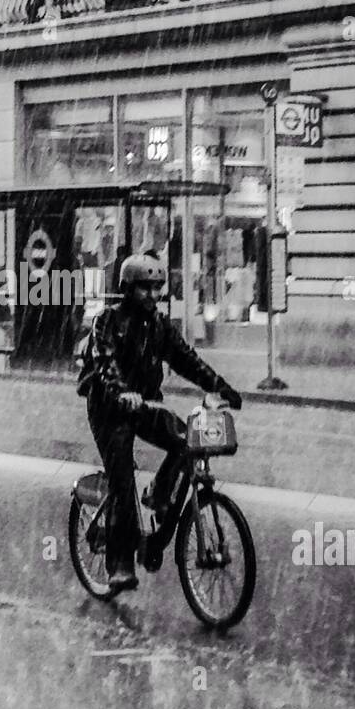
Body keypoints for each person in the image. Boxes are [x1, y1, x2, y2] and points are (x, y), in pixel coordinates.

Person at [77, 253, 242, 595]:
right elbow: (105, 364)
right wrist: (122, 393)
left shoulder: (159, 326)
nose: (152, 295)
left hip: (142, 405)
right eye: (144, 288)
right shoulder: (107, 322)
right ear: (126, 288)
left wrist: (219, 386)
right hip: (109, 409)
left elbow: (187, 360)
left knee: (187, 440)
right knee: (122, 479)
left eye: (157, 288)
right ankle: (120, 563)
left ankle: (159, 492)